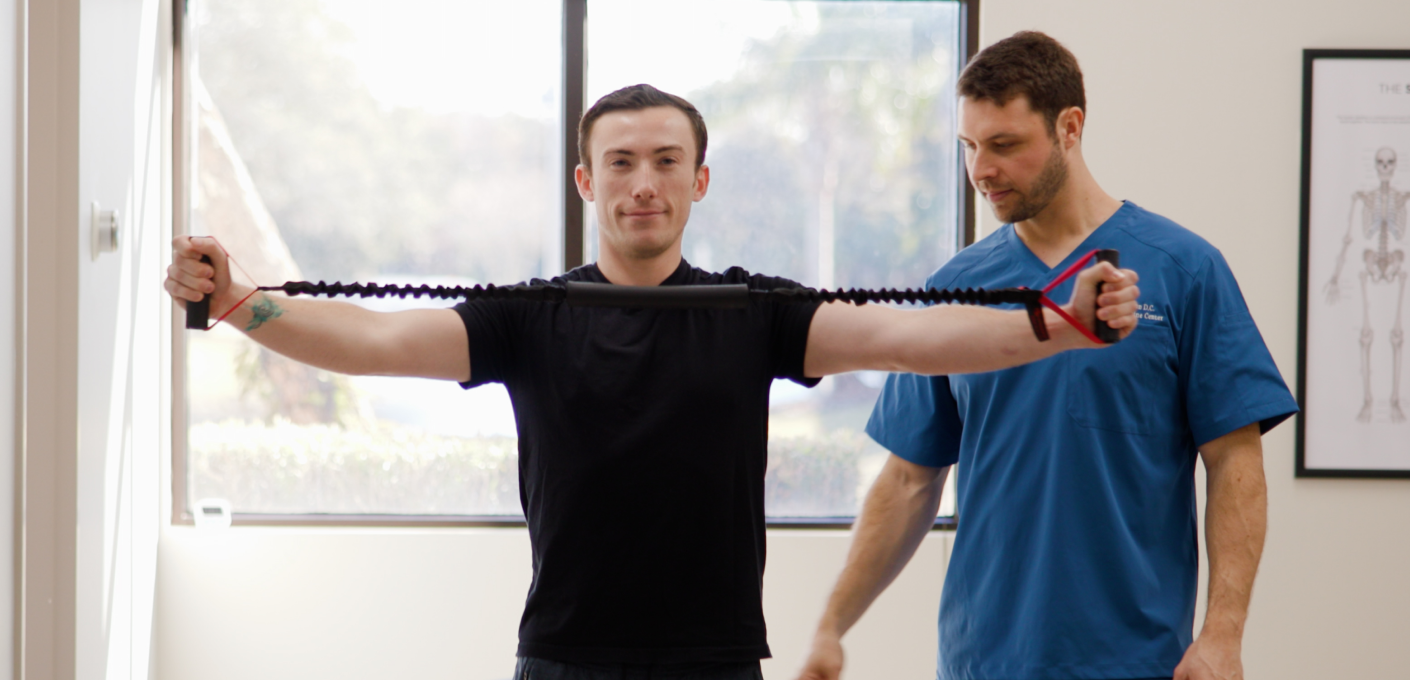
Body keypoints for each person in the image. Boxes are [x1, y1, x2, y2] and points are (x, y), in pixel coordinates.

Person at [166, 84, 1140, 680]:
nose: (645, 181)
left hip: (715, 662)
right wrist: (240, 298)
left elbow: (909, 335)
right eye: (622, 162)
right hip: (562, 657)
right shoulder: (531, 314)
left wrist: (1059, 323)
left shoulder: (751, 309)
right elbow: (376, 342)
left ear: (699, 181)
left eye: (667, 161)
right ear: (587, 181)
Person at [795, 32, 1298, 680]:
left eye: (1004, 145)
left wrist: (1223, 634)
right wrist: (832, 625)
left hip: (1138, 660)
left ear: (1070, 128)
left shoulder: (1185, 270)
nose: (980, 170)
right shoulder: (956, 288)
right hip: (983, 660)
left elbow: (1234, 461)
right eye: (969, 147)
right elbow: (908, 479)